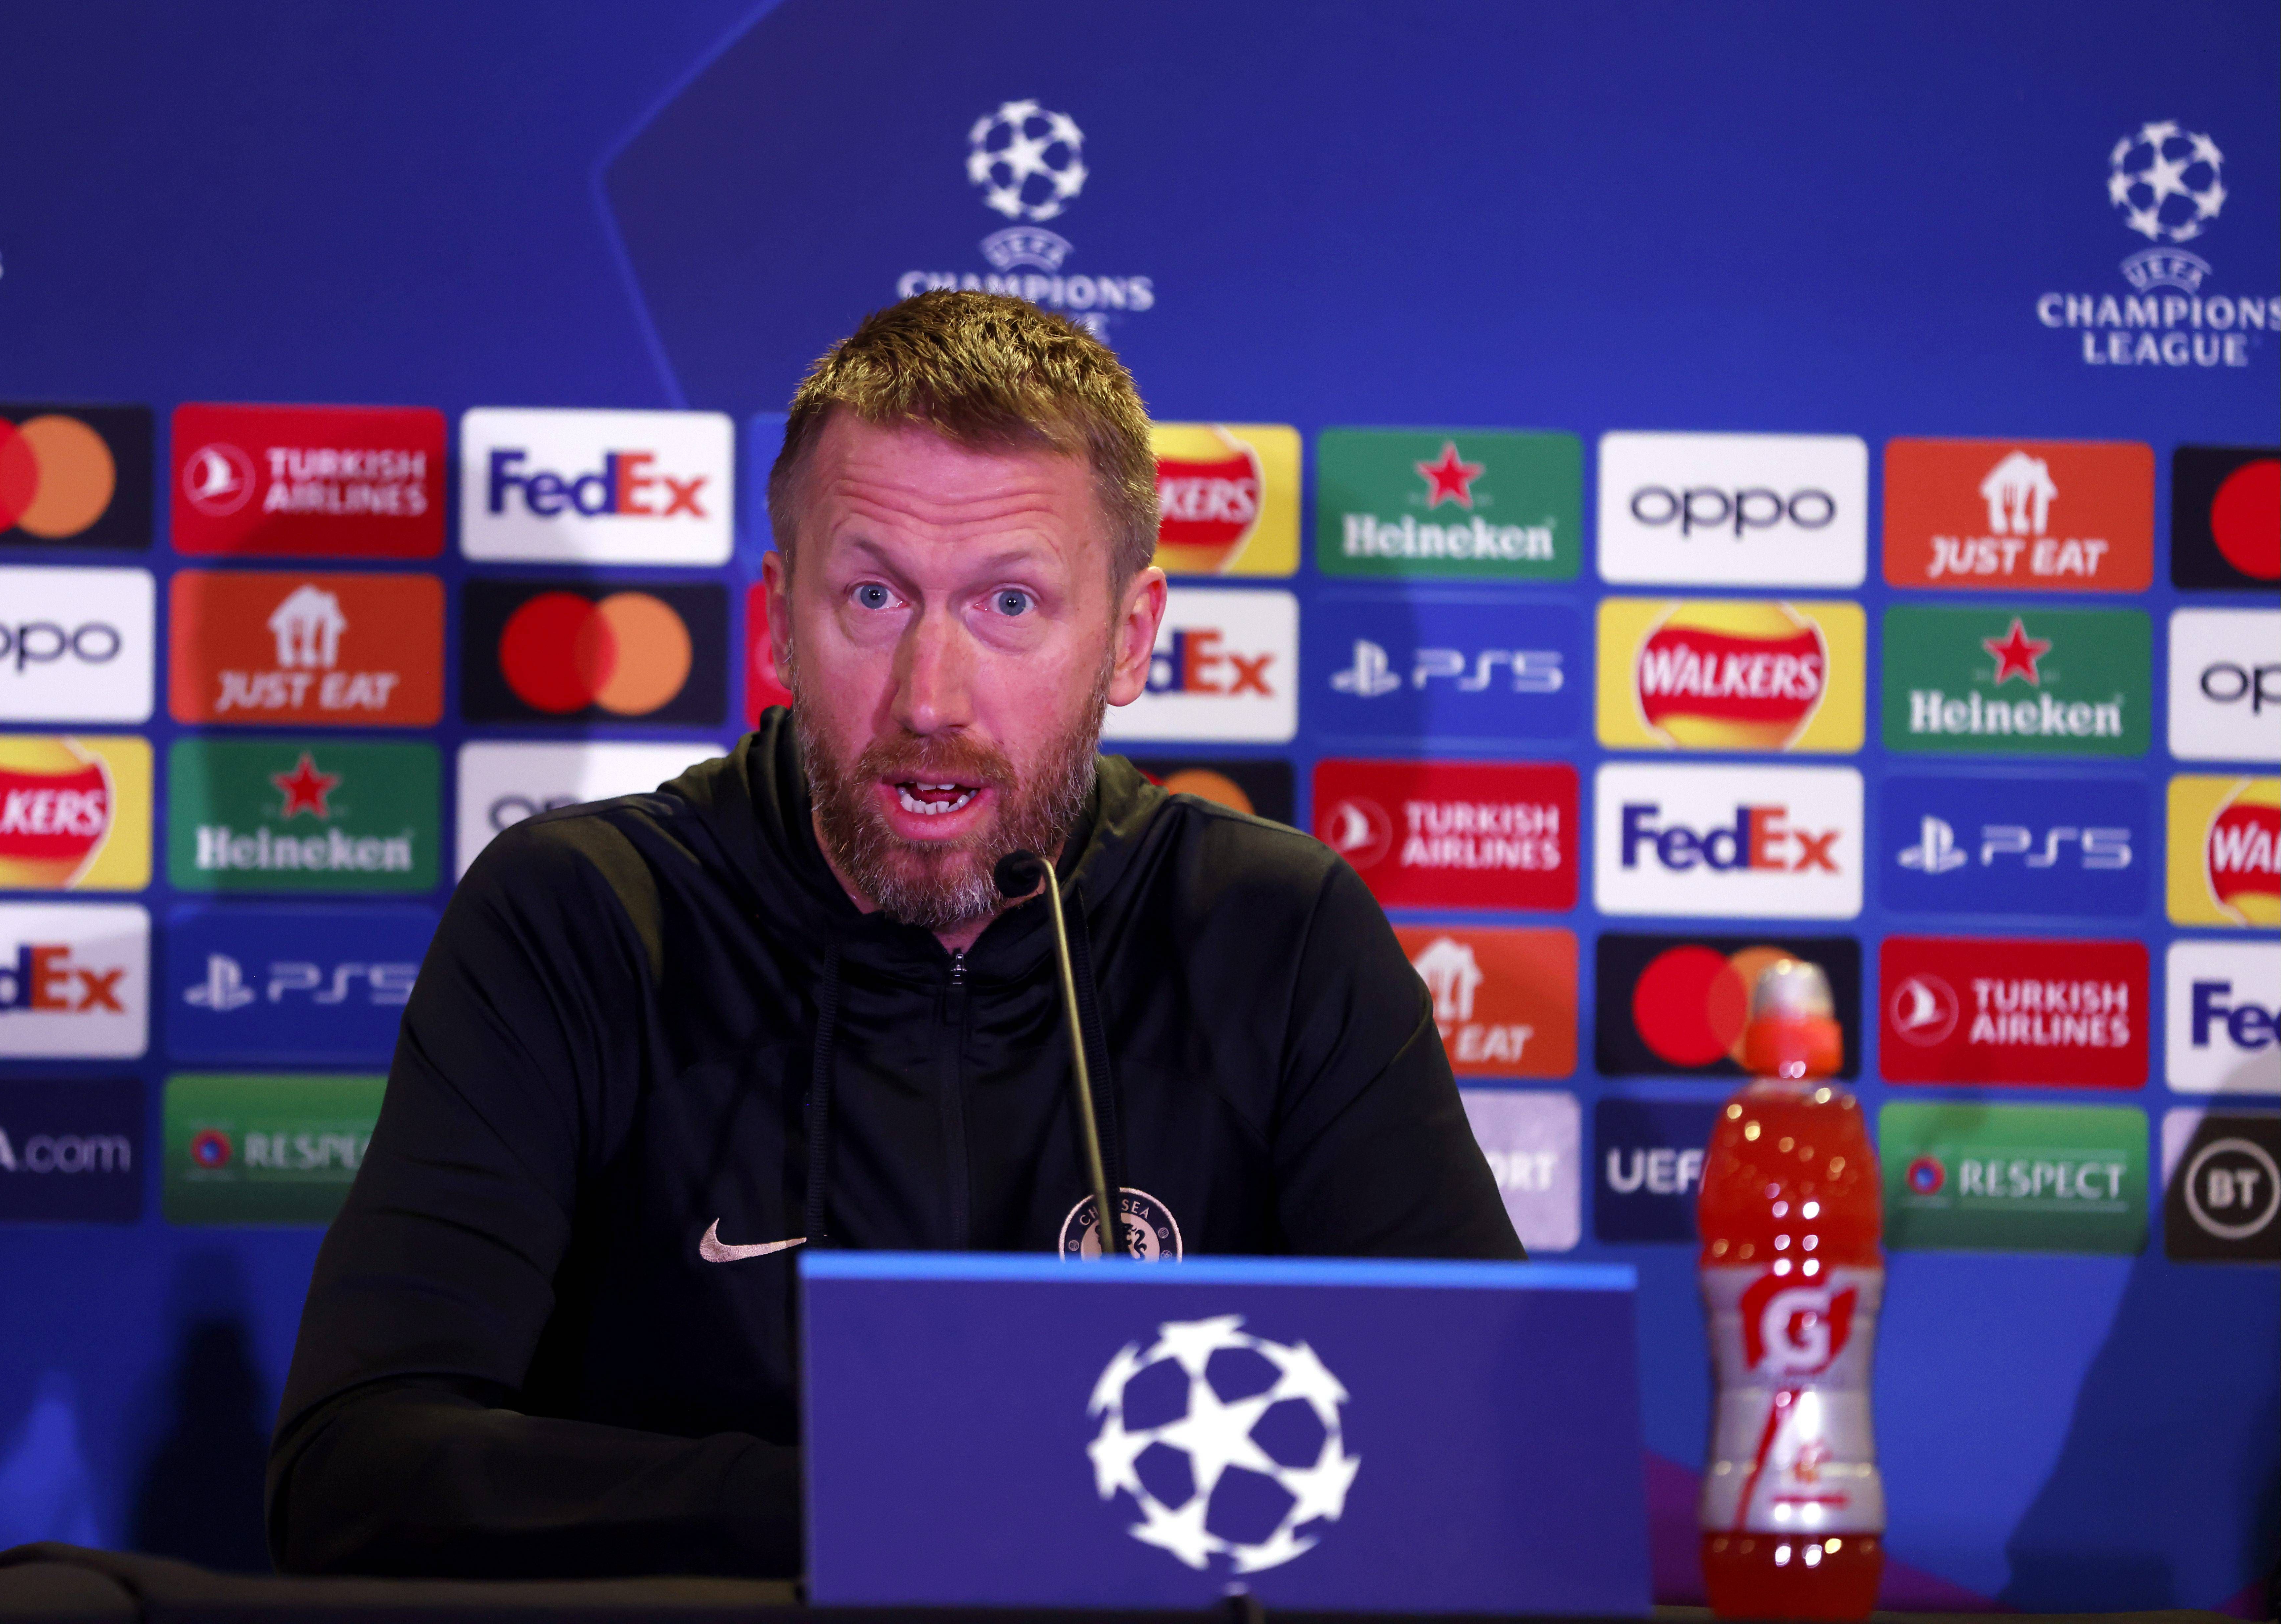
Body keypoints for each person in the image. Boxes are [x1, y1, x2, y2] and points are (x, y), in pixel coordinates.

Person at [269, 291, 1522, 1579]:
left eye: (1010, 606)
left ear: (1131, 638)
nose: (931, 699)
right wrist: (885, 1501)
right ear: (777, 619)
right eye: (872, 595)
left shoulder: (1274, 935)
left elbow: (1493, 1454)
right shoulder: (586, 918)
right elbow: (354, 1475)